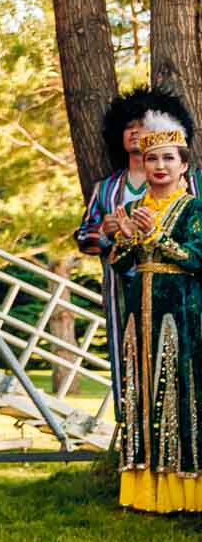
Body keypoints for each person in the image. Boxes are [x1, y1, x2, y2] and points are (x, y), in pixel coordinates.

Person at [108, 110, 202, 514]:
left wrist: (157, 235)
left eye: (168, 158)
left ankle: (183, 490)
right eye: (151, 159)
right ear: (143, 166)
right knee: (141, 387)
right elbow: (119, 264)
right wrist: (127, 238)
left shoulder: (194, 209)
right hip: (138, 311)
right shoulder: (135, 207)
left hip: (179, 312)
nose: (159, 166)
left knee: (177, 386)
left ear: (183, 166)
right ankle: (144, 489)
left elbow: (196, 259)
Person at [76, 88, 196, 368]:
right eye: (128, 126)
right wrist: (106, 233)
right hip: (125, 289)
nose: (134, 132)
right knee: (129, 362)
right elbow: (85, 236)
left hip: (182, 292)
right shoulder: (106, 189)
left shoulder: (192, 183)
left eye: (141, 125)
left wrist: (157, 235)